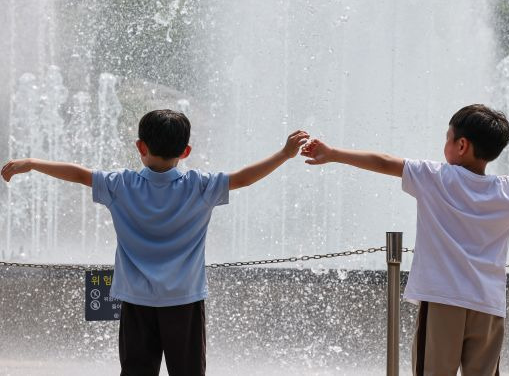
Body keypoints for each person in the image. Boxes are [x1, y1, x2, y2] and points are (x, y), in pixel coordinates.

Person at [300, 103, 509, 375]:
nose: (444, 144)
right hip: (488, 306)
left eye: (447, 137)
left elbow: (384, 162)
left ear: (461, 145)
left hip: (443, 299)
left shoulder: (436, 178)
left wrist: (333, 153)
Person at [1, 109, 309, 376]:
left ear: (140, 146)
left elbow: (79, 174)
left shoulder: (120, 185)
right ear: (185, 151)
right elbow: (244, 178)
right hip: (184, 301)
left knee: (136, 370)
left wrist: (33, 162)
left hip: (136, 300)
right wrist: (283, 154)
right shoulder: (200, 187)